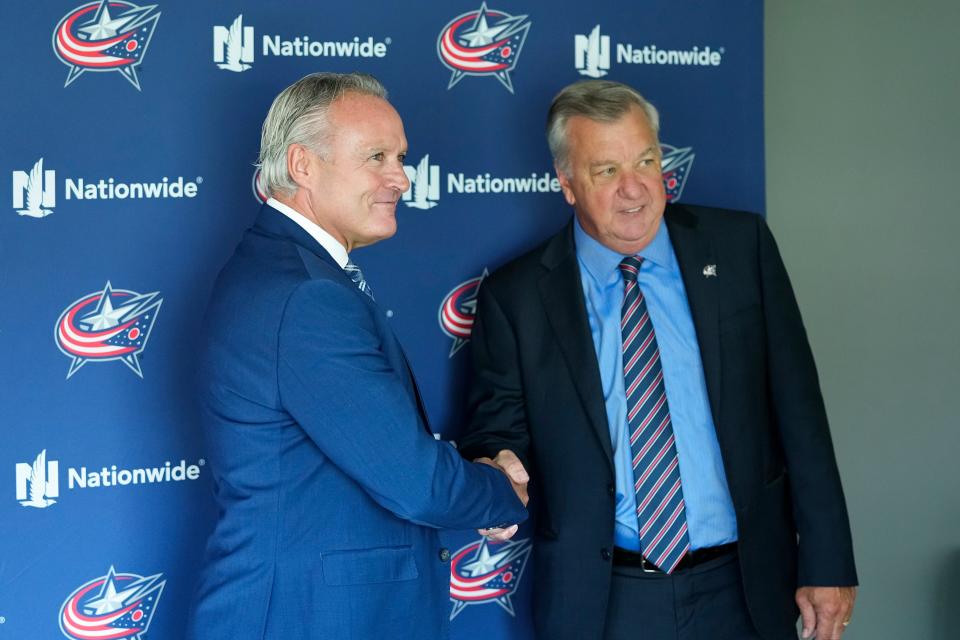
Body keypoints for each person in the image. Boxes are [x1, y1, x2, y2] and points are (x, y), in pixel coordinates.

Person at [458, 80, 857, 640]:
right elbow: (497, 429)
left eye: (646, 160)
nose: (635, 190)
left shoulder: (739, 247)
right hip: (606, 600)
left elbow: (801, 414)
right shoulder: (517, 296)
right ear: (566, 183)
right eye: (606, 172)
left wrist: (828, 561)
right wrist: (497, 464)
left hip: (743, 585)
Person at [186, 72, 527, 640]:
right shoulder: (305, 294)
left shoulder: (292, 271)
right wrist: (499, 492)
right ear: (302, 165)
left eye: (400, 156)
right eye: (376, 156)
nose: (401, 176)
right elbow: (414, 481)